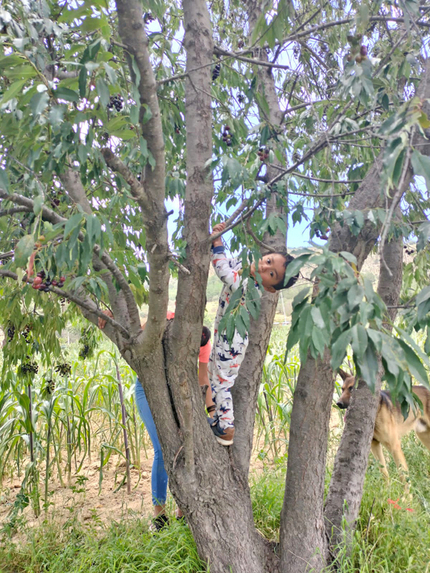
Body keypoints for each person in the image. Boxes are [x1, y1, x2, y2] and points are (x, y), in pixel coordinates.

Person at [209, 221, 298, 446]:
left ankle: (227, 427)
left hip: (231, 341)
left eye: (271, 273)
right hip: (226, 337)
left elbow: (223, 271)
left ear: (269, 288)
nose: (263, 267)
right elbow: (229, 264)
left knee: (222, 381)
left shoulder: (250, 286)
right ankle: (220, 418)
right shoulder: (246, 265)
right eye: (267, 261)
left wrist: (217, 244)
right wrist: (221, 234)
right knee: (215, 375)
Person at [135, 318, 213, 531]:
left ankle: (182, 512)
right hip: (148, 387)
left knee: (184, 447)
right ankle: (159, 517)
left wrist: (211, 410)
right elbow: (135, 337)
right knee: (162, 448)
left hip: (179, 391)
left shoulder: (204, 341)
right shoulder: (167, 319)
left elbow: (203, 377)